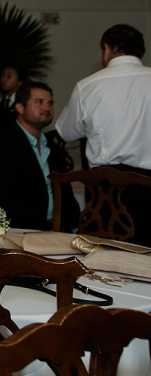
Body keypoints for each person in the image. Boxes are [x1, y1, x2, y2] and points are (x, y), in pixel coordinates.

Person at [55, 24, 151, 245]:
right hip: (148, 185)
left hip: (105, 191)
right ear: (140, 52)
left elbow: (66, 132)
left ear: (107, 49)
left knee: (105, 255)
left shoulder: (89, 85)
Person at [0, 81, 79, 231]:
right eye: (39, 102)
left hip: (57, 230)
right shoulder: (3, 144)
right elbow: (4, 198)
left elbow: (66, 194)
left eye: (50, 103)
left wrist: (74, 227)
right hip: (21, 231)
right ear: (20, 107)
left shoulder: (53, 147)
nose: (47, 107)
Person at [0, 63, 24, 135]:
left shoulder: (23, 101)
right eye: (2, 76)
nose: (3, 79)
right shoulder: (3, 102)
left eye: (9, 76)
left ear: (20, 81)